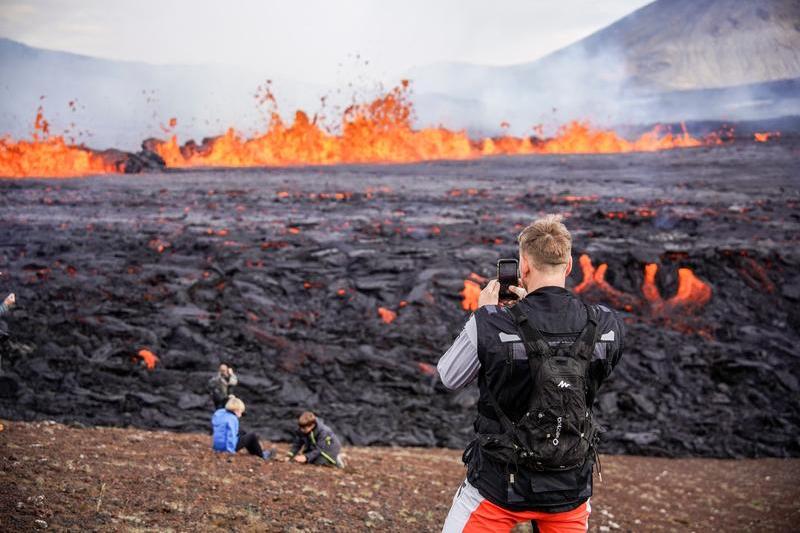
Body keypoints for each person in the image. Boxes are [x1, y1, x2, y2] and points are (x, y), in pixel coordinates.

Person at [438, 215, 624, 533]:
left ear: (523, 267)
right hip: (570, 486)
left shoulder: (493, 322)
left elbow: (450, 377)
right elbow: (588, 375)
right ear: (567, 267)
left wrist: (484, 316)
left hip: (499, 487)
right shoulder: (605, 323)